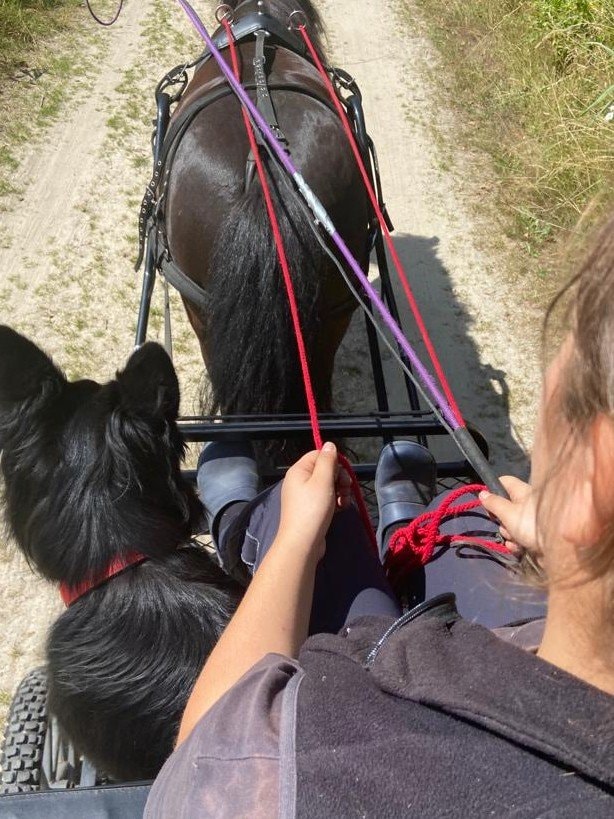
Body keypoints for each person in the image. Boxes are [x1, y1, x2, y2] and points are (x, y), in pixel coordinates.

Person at [145, 215, 614, 817]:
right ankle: (405, 528)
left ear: (593, 473)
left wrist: (295, 540)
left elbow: (201, 764)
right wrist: (570, 555)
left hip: (405, 668)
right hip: (545, 638)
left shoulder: (329, 753)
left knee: (326, 522)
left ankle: (239, 521)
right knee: (472, 525)